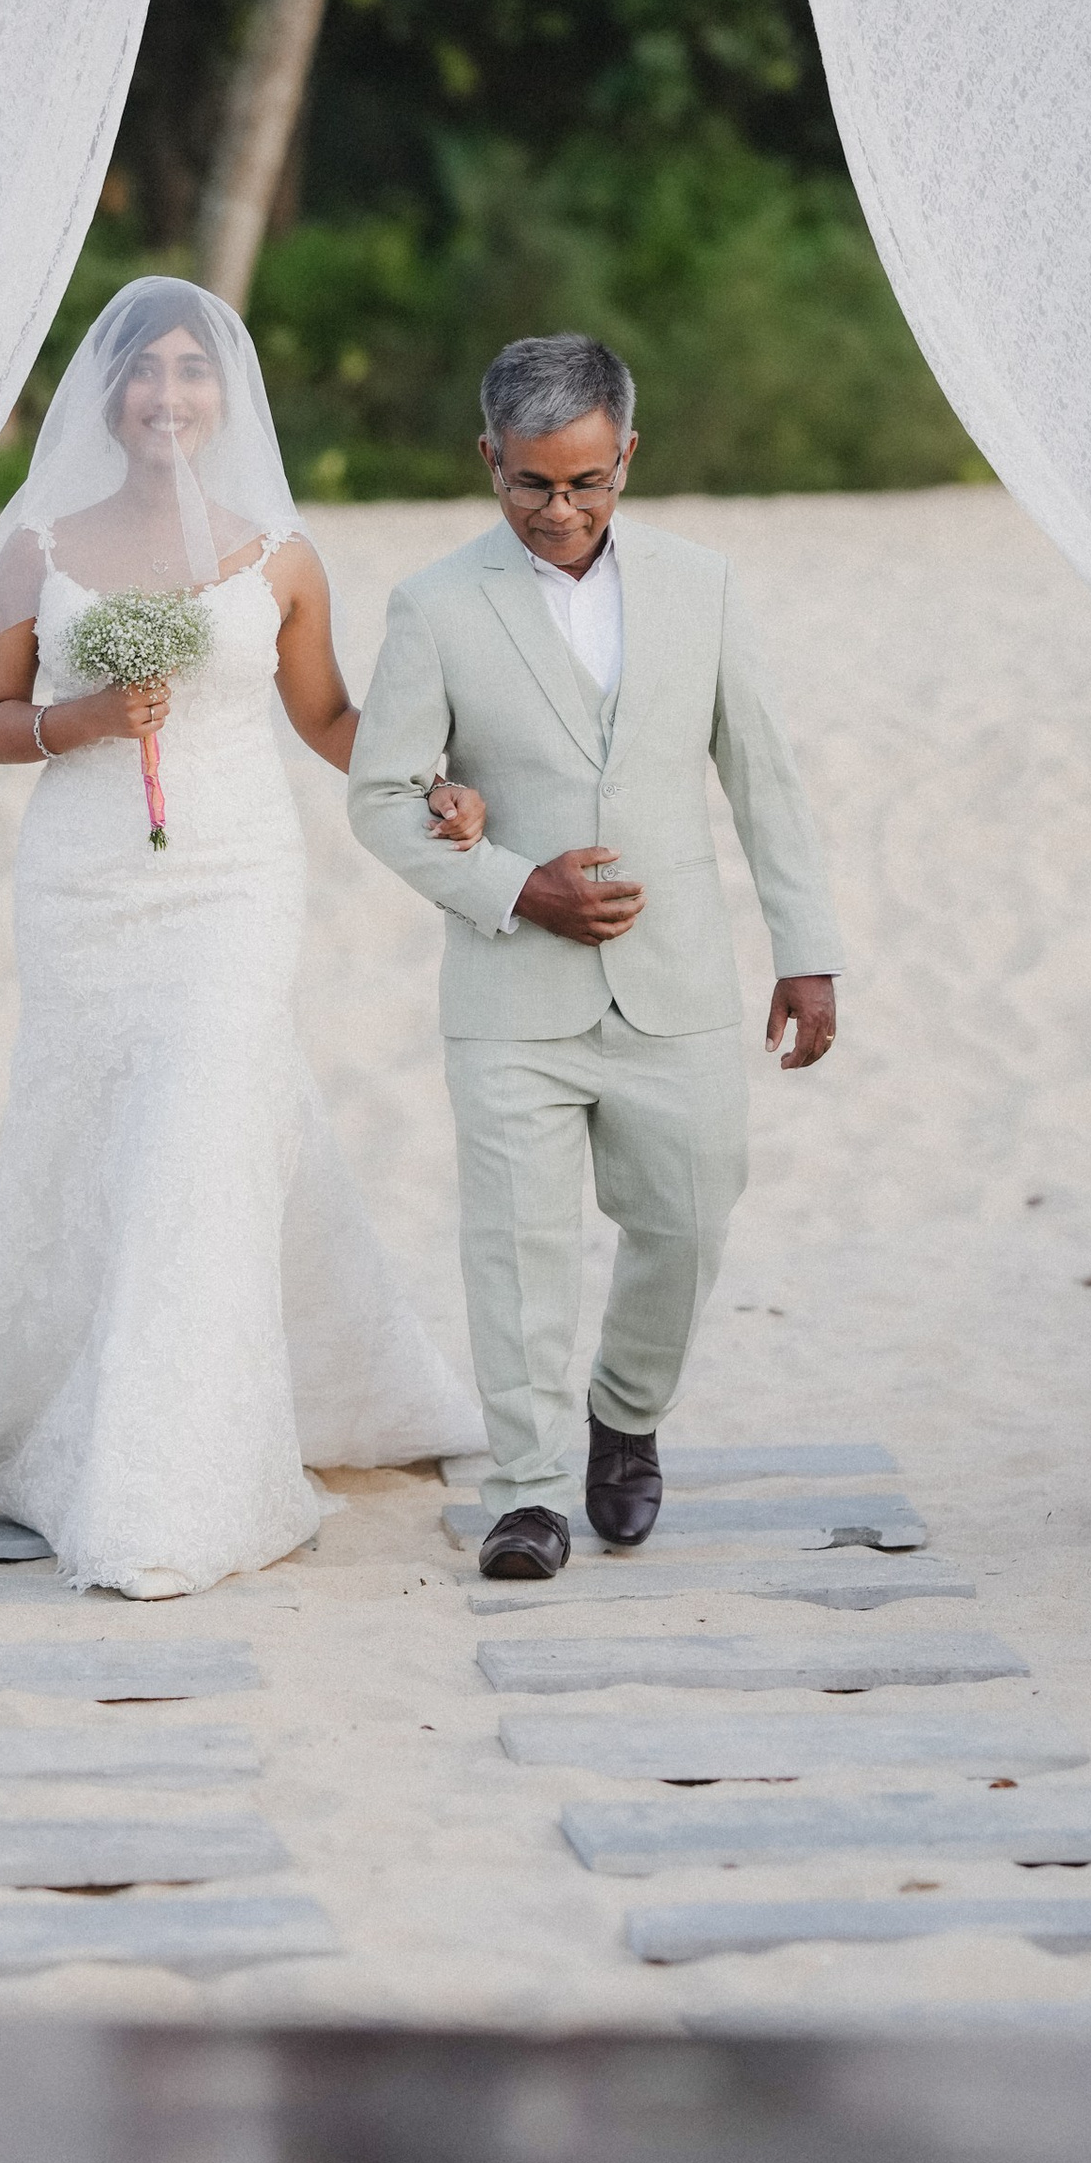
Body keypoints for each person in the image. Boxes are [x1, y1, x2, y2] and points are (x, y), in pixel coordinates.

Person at [0, 275, 484, 1599]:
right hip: (84, 878)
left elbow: (324, 718)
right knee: (108, 1137)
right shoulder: (41, 546)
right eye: (149, 372)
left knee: (203, 1108)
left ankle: (170, 1468)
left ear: (226, 397)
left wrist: (428, 776)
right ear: (110, 392)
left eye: (196, 373)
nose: (170, 395)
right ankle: (89, 1419)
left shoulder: (282, 555)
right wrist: (79, 722)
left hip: (237, 871)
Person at [348, 333, 841, 1582]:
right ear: (488, 462)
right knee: (516, 1248)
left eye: (585, 482)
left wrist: (807, 949)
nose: (559, 511)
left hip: (676, 980)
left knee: (688, 1219)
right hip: (510, 989)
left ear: (627, 454)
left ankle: (624, 1414)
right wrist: (517, 882)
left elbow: (762, 779)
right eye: (530, 485)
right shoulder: (436, 604)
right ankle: (523, 1493)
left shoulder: (703, 584)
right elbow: (381, 795)